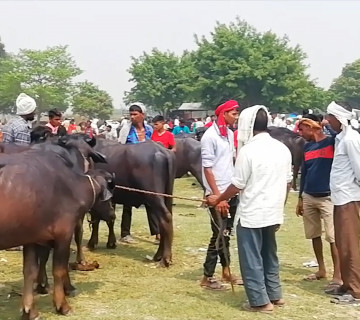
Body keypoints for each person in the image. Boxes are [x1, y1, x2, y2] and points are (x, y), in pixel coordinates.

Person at [208, 105, 292, 313]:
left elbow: (237, 184)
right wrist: (280, 205)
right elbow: (288, 182)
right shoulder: (282, 148)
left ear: (247, 125)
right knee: (269, 254)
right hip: (273, 211)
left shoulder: (248, 151)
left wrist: (218, 198)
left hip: (253, 213)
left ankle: (260, 302)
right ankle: (275, 294)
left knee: (251, 256)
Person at [200, 100, 243, 291]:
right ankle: (207, 276)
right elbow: (208, 169)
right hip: (217, 194)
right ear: (223, 113)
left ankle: (226, 270)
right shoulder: (210, 137)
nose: (237, 116)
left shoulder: (230, 134)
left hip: (229, 191)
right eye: (234, 113)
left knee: (226, 233)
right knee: (217, 234)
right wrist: (218, 197)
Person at [296, 116, 342, 291]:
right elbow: (304, 173)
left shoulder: (331, 143)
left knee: (332, 237)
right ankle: (321, 269)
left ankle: (337, 275)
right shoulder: (307, 147)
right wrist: (300, 198)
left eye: (302, 130)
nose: (300, 133)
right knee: (314, 234)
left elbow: (340, 133)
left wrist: (326, 125)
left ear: (310, 128)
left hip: (328, 196)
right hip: (309, 195)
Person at [325, 101, 360, 303]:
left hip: (349, 198)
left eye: (330, 116)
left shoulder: (352, 139)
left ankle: (356, 291)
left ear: (339, 118)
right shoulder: (341, 138)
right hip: (340, 198)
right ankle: (347, 284)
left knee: (350, 244)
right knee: (342, 244)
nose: (327, 120)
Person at [118, 102, 154, 244]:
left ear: (142, 115)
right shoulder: (126, 130)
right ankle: (125, 233)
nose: (132, 117)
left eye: (135, 114)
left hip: (148, 169)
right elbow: (120, 147)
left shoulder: (150, 130)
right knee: (128, 202)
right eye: (131, 114)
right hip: (130, 169)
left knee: (152, 201)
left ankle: (156, 232)